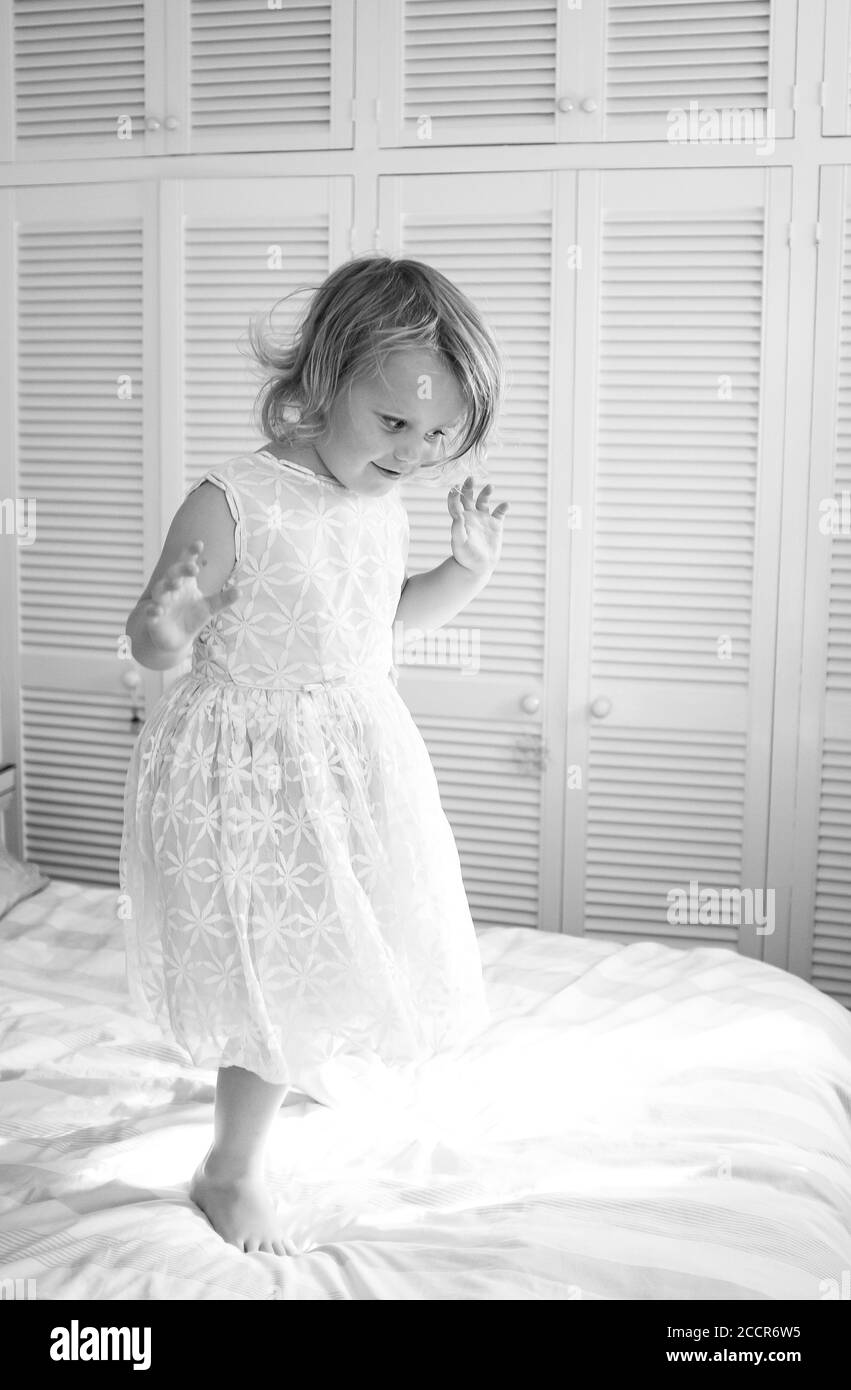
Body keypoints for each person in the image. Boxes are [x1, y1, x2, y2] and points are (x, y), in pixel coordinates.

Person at [119, 254, 509, 1254]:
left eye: (434, 437)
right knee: (270, 962)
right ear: (325, 377)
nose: (413, 453)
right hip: (247, 774)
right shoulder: (236, 498)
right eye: (393, 424)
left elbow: (381, 622)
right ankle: (228, 1169)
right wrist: (164, 627)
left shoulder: (385, 502)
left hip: (350, 764)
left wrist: (461, 570)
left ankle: (291, 1070)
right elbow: (169, 632)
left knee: (338, 936)